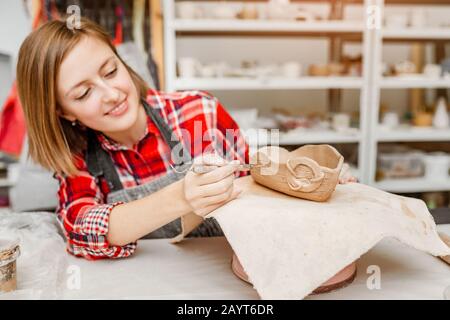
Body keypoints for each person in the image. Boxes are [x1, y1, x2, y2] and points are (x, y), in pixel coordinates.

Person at [16, 17, 356, 261]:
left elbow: (255, 183)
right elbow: (79, 230)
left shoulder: (199, 112)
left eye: (110, 71)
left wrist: (306, 181)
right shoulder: (77, 156)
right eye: (84, 92)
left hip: (225, 272)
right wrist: (181, 197)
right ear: (64, 113)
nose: (110, 94)